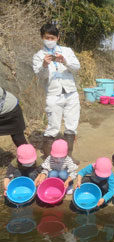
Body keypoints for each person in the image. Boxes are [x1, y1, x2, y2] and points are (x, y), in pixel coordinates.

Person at [32, 24, 81, 163]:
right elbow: (40, 76)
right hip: (53, 95)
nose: (49, 40)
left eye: (52, 37)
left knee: (71, 126)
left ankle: (68, 157)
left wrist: (65, 61)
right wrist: (44, 65)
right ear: (42, 37)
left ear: (58, 37)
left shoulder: (67, 51)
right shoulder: (38, 56)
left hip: (71, 92)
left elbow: (77, 67)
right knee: (53, 127)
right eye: (47, 37)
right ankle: (49, 159)